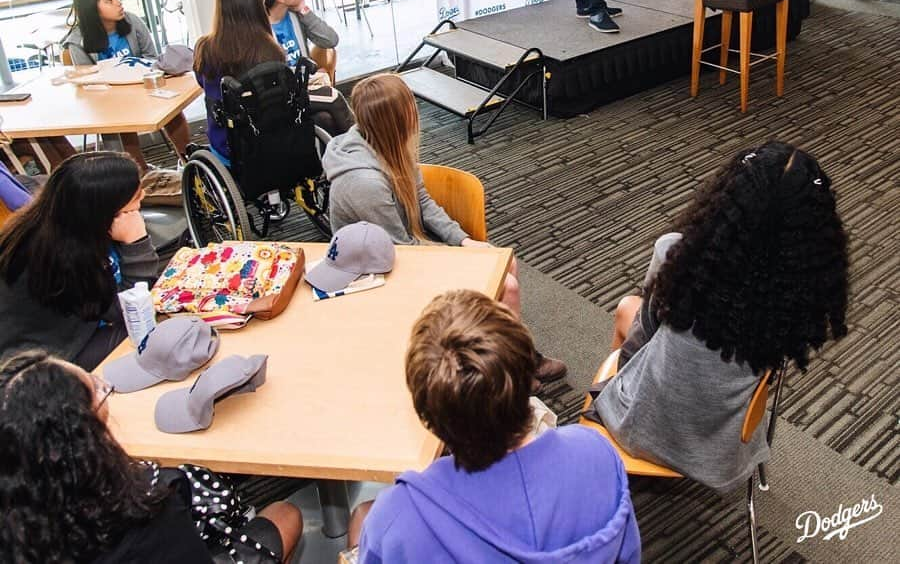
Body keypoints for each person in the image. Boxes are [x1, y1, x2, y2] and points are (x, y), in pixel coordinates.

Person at [590, 141, 849, 494]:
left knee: (626, 309)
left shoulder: (675, 256)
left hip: (639, 431)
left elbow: (642, 342)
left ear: (728, 201)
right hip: (723, 453)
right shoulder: (800, 297)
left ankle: (609, 432)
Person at [351, 290, 640, 563]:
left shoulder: (397, 520)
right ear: (526, 375)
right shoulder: (597, 456)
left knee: (360, 519)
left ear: (429, 420)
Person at [323, 72, 566, 383]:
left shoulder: (385, 142)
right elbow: (400, 253)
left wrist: (463, 241)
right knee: (508, 286)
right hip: (381, 274)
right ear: (396, 121)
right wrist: (458, 259)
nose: (416, 115)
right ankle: (512, 369)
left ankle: (511, 360)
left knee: (506, 263)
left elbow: (422, 200)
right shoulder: (364, 183)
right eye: (410, 109)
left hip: (407, 248)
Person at [0, 349, 303, 563]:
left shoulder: (21, 521)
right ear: (85, 434)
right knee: (286, 514)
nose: (106, 391)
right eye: (99, 390)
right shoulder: (145, 512)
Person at [0, 151, 160, 370]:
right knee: (154, 330)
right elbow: (128, 307)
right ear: (104, 210)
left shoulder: (57, 223)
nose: (142, 196)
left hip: (72, 332)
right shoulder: (55, 255)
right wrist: (136, 244)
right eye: (133, 198)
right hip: (50, 358)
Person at [63, 0, 191, 171]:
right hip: (108, 100)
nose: (118, 2)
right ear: (92, 8)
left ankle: (189, 160)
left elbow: (151, 58)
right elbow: (87, 83)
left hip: (143, 87)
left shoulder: (132, 22)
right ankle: (138, 171)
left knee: (172, 109)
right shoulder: (77, 41)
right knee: (118, 122)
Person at [193, 0, 287, 165]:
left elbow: (203, 84)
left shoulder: (205, 48)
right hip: (270, 138)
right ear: (256, 8)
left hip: (226, 142)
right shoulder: (270, 51)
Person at [256, 0, 354, 136]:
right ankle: (363, 148)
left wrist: (304, 10)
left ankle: (347, 155)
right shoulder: (260, 29)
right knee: (333, 102)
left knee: (325, 119)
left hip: (306, 87)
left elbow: (331, 40)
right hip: (284, 95)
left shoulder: (296, 16)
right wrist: (310, 76)